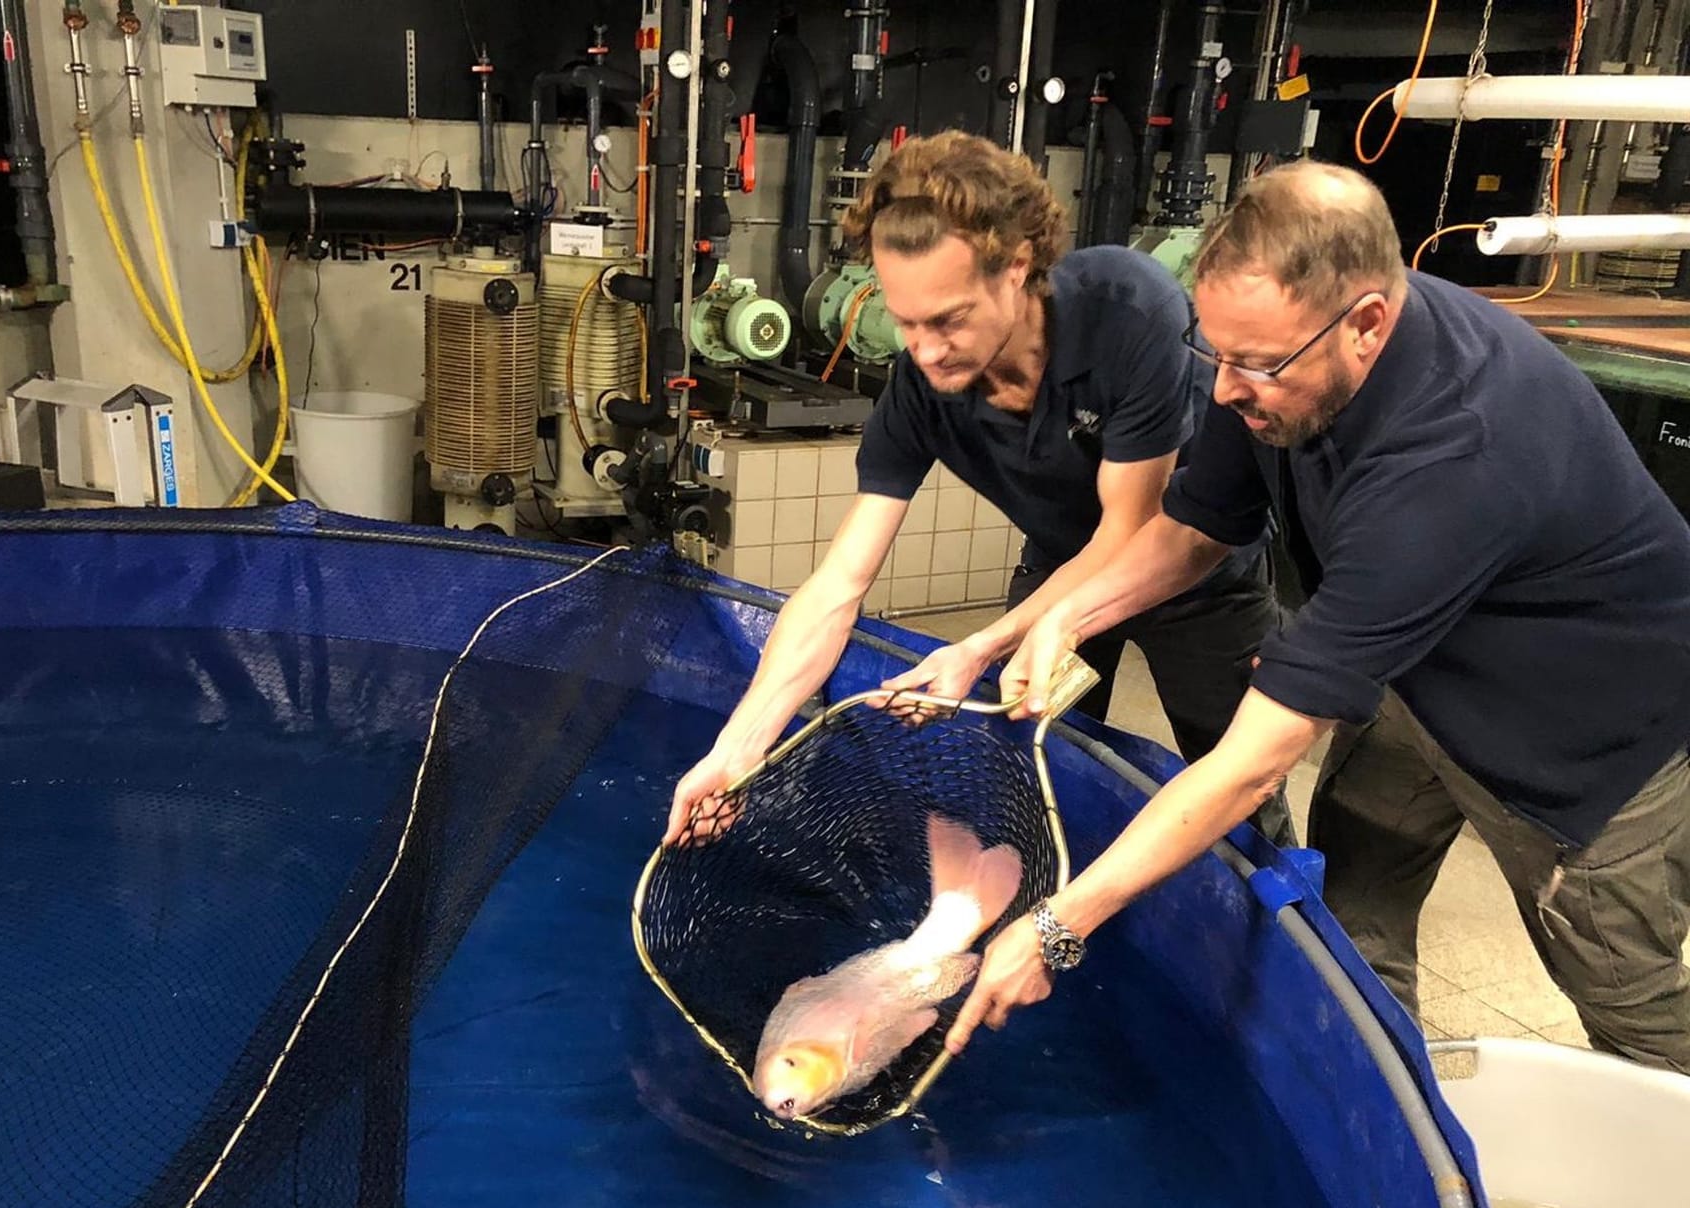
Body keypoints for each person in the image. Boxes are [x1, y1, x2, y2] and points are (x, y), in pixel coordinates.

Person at [957, 159, 1690, 1073]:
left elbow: (1249, 765)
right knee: (1356, 913)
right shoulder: (1279, 357)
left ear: (1368, 324)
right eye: (1214, 352)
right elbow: (1194, 528)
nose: (1224, 389)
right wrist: (1062, 621)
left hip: (1584, 740)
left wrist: (1056, 932)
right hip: (1424, 675)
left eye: (1254, 364)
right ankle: (1393, 1113)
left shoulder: (1456, 455)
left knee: (1631, 1004)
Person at [663, 129, 1294, 849]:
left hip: (1195, 572)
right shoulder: (921, 388)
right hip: (1062, 561)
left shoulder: (1130, 312)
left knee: (1239, 781)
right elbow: (839, 582)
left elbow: (1130, 535)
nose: (926, 351)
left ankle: (1283, 920)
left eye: (949, 319)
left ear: (1017, 267)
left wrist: (979, 647)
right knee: (1024, 762)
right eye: (905, 324)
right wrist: (738, 747)